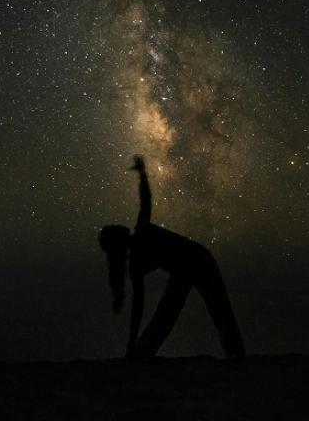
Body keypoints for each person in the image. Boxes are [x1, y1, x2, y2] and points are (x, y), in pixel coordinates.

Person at [99, 155, 245, 361]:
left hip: (197, 261)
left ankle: (236, 356)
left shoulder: (139, 243)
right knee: (177, 316)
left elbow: (146, 201)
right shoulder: (137, 255)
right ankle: (142, 355)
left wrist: (142, 174)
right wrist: (142, 174)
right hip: (186, 268)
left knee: (214, 311)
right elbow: (146, 201)